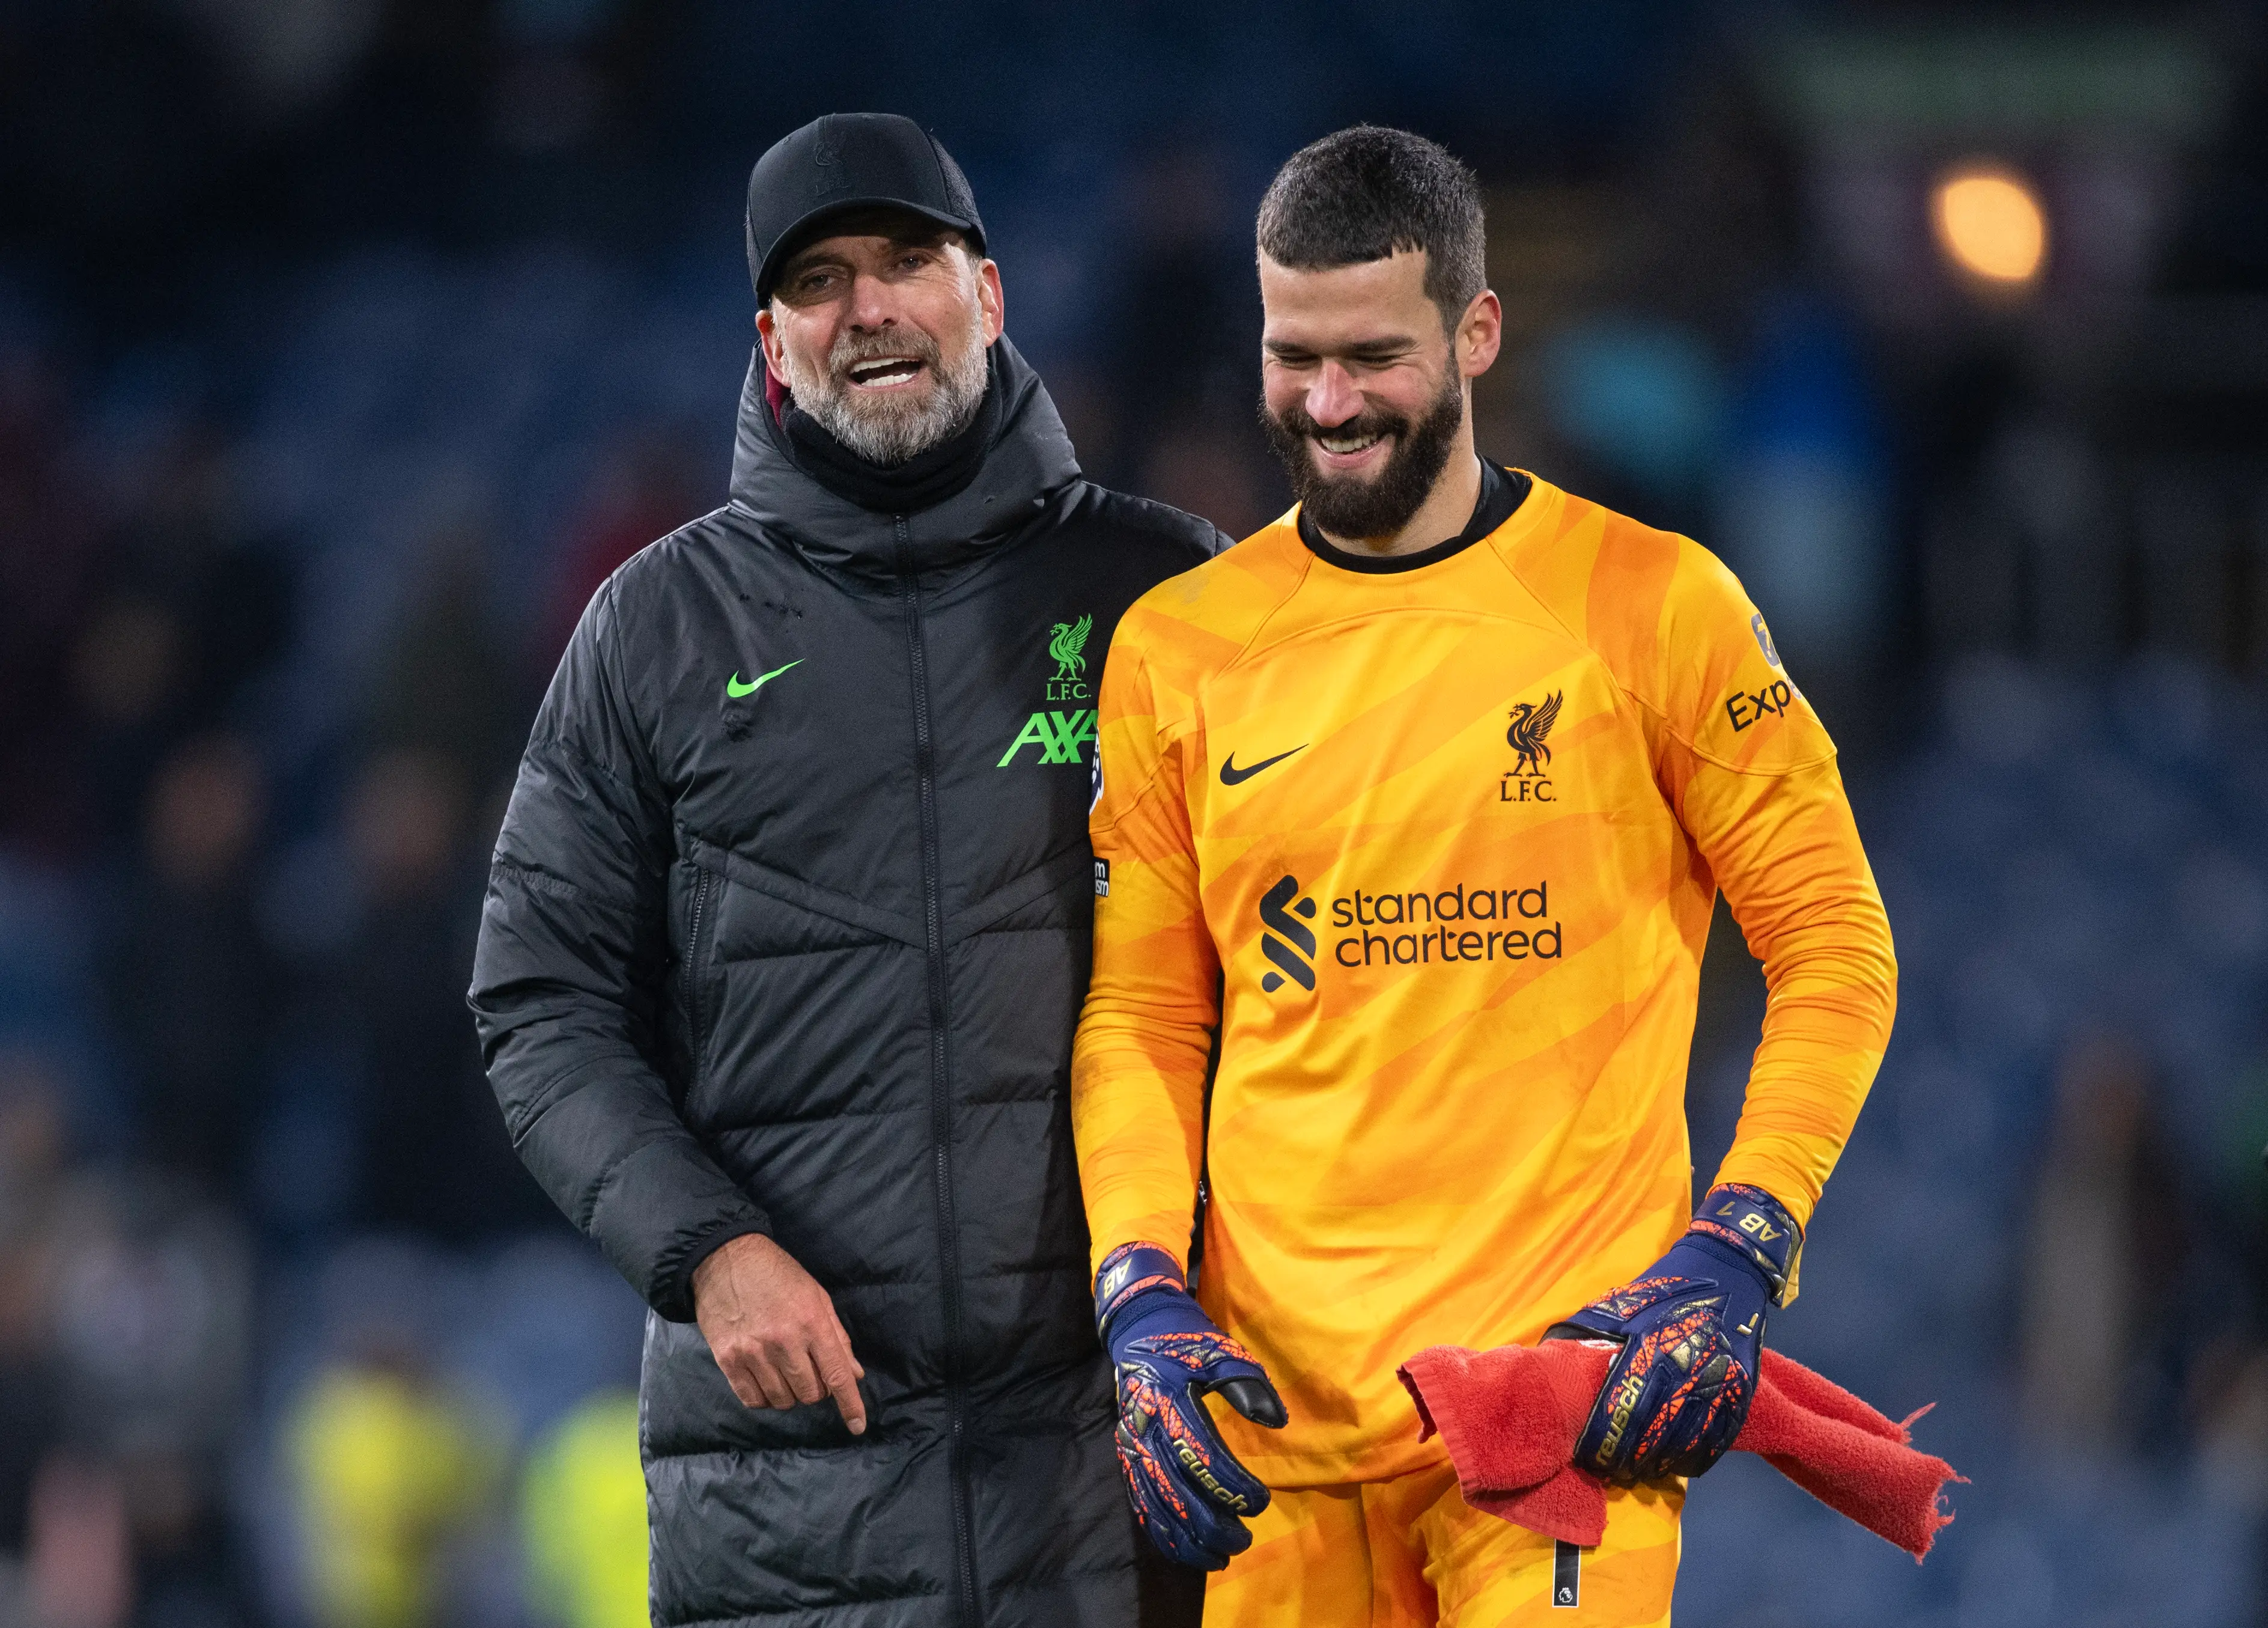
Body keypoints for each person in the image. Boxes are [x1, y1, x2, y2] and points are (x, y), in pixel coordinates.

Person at [1071, 126, 1898, 1626]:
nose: (1328, 404)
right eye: (1293, 356)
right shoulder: (1177, 648)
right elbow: (1143, 1014)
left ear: (1477, 333)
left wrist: (1743, 1238)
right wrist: (1137, 1284)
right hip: (1278, 1442)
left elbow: (1835, 943)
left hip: (1562, 1417)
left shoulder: (1656, 606)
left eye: (1373, 357)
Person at [470, 114, 1223, 1627]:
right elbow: (539, 1003)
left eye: (905, 262)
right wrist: (709, 1250)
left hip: (1117, 1457)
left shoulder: (1167, 593)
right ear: (772, 342)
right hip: (791, 1489)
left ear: (988, 295)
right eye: (817, 282)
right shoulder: (655, 631)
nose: (866, 308)